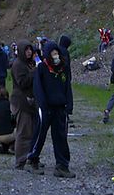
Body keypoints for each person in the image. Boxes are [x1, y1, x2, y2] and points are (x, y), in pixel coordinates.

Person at [30, 39, 74, 177]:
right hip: (46, 107)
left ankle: (62, 165)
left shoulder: (63, 68)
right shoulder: (42, 68)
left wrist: (69, 104)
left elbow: (67, 86)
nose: (56, 56)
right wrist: (42, 104)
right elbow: (38, 87)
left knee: (61, 136)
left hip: (60, 107)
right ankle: (32, 160)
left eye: (57, 53)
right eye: (53, 53)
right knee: (40, 134)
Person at [10, 40, 40, 170]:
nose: (28, 52)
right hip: (21, 102)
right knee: (23, 132)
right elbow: (22, 82)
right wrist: (34, 72)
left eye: (30, 50)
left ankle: (29, 157)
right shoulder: (18, 64)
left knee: (31, 131)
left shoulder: (28, 63)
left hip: (29, 102)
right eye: (26, 50)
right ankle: (20, 161)